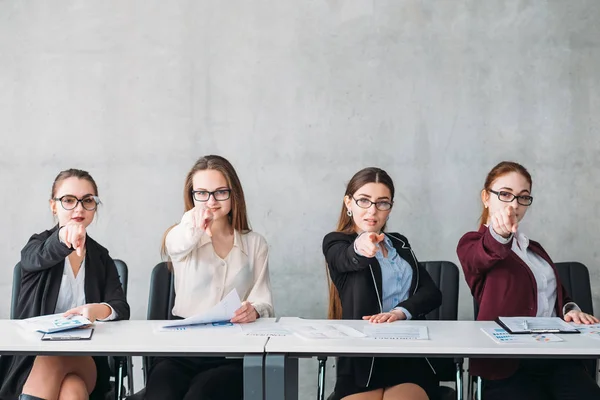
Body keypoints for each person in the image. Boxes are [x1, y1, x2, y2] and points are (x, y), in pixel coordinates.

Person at [457, 160, 600, 400]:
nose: (514, 204)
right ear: (486, 197)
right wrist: (499, 234)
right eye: (505, 194)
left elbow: (557, 294)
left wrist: (571, 309)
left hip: (556, 356)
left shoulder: (534, 249)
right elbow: (480, 258)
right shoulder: (472, 244)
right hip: (509, 364)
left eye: (523, 197)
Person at [144, 155, 274, 400]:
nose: (211, 201)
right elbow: (178, 244)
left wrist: (254, 310)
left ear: (233, 194)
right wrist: (194, 225)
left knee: (202, 394)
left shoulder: (255, 243)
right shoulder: (181, 234)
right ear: (192, 196)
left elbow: (263, 299)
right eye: (201, 193)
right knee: (162, 393)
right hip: (180, 350)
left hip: (231, 352)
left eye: (220, 192)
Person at [0, 168, 130, 400]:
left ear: (94, 206)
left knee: (57, 360)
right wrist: (63, 239)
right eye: (69, 200)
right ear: (53, 206)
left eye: (87, 200)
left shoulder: (101, 257)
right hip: (31, 362)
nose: (79, 208)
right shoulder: (36, 247)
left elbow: (120, 306)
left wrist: (96, 310)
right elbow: (35, 258)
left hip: (87, 358)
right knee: (72, 390)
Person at [323, 167, 442, 400]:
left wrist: (400, 312)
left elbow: (432, 293)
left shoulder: (400, 244)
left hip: (408, 356)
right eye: (364, 201)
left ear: (390, 207)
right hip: (362, 362)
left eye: (382, 203)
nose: (372, 210)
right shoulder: (337, 242)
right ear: (349, 203)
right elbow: (346, 258)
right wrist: (361, 246)